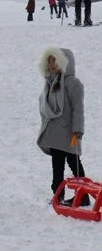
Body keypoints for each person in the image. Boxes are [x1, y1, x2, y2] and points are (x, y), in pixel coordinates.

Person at [37, 47, 88, 206]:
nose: (51, 64)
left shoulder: (73, 83)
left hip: (69, 132)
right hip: (55, 133)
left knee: (75, 164)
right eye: (49, 61)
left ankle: (83, 195)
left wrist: (78, 130)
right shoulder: (50, 81)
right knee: (57, 165)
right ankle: (57, 195)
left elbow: (78, 108)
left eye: (55, 60)